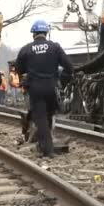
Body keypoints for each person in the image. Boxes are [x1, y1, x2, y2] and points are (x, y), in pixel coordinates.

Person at [15, 19, 73, 158]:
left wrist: (27, 79)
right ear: (46, 33)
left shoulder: (26, 49)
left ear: (33, 34)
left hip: (36, 89)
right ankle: (44, 143)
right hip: (52, 88)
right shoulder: (55, 47)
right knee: (48, 116)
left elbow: (19, 69)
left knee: (40, 118)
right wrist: (62, 81)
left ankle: (48, 150)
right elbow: (69, 67)